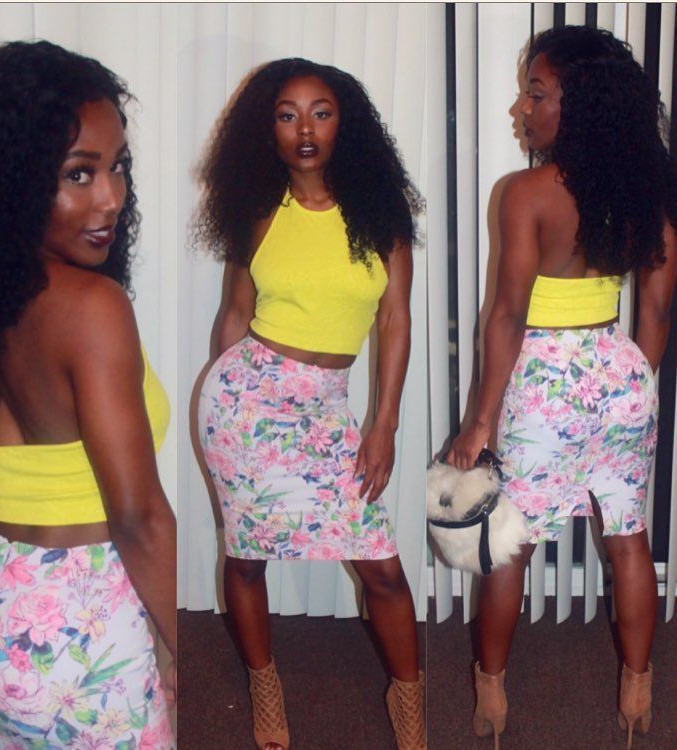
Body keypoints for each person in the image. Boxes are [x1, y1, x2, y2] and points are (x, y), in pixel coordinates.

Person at [0, 41, 176, 749]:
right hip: (79, 639)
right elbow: (139, 517)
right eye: (78, 174)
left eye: (118, 165)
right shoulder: (92, 309)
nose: (111, 198)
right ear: (6, 180)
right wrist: (178, 647)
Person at [447, 25, 677, 750]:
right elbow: (656, 311)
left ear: (574, 106)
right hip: (621, 375)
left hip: (543, 384)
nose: (522, 108)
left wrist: (479, 421)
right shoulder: (649, 189)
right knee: (628, 540)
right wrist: (630, 386)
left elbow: (506, 315)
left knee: (510, 545)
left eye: (536, 94)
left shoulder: (524, 194)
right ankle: (638, 693)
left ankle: (491, 695)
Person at [194, 58, 425, 749]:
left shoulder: (381, 217)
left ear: (343, 124)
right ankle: (265, 687)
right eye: (287, 114)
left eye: (320, 113)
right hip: (245, 404)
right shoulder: (259, 214)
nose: (305, 129)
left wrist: (383, 425)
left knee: (382, 568)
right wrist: (220, 407)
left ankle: (410, 700)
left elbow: (395, 321)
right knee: (245, 557)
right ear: (267, 129)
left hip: (326, 409)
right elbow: (235, 315)